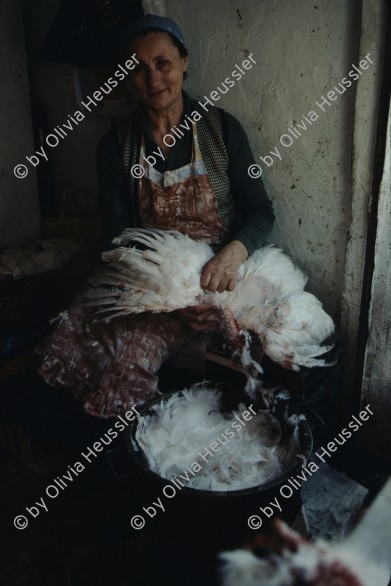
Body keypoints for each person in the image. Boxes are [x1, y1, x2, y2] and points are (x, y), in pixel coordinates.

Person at [37, 15, 275, 419]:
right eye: (138, 69)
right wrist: (167, 300)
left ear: (184, 62)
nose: (153, 79)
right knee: (74, 336)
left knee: (130, 360)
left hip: (213, 276)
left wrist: (233, 254)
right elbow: (116, 236)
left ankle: (143, 439)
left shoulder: (222, 131)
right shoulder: (116, 146)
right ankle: (107, 440)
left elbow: (260, 210)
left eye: (162, 63)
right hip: (147, 276)